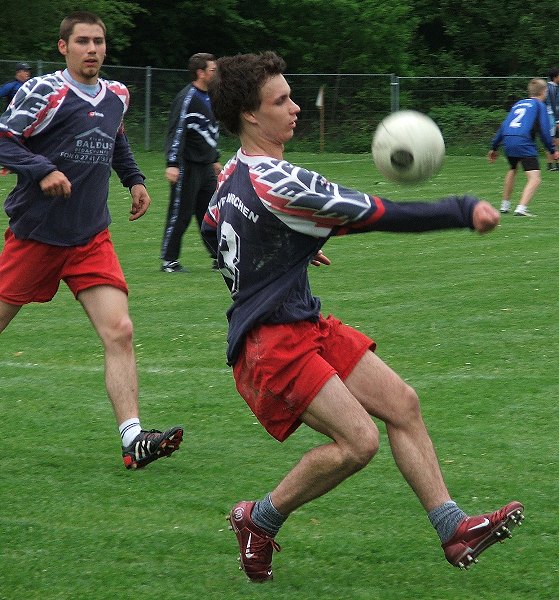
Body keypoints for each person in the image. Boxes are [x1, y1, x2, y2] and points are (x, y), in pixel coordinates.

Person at [201, 51, 525, 583]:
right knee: (358, 443)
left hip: (301, 322)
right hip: (272, 343)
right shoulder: (281, 183)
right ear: (251, 115)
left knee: (402, 404)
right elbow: (375, 213)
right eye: (281, 100)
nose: (295, 107)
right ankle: (257, 518)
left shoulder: (233, 172)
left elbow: (215, 227)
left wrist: (285, 251)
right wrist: (461, 209)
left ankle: (454, 528)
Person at [0, 11, 183, 469]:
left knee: (120, 331)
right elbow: (4, 139)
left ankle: (134, 439)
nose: (92, 49)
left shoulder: (117, 94)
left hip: (90, 238)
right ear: (63, 47)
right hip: (37, 236)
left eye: (98, 41)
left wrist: (134, 179)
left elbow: (114, 139)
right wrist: (42, 170)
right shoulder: (43, 90)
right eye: (82, 41)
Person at [160, 52, 221, 273]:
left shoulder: (211, 97)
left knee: (211, 213)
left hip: (206, 166)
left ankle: (219, 257)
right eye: (213, 70)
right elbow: (176, 131)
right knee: (181, 213)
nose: (217, 74)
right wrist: (172, 163)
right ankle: (169, 261)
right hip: (187, 165)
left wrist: (214, 158)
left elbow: (210, 130)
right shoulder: (187, 98)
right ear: (201, 73)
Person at [489, 78, 559, 217]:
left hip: (508, 140)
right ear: (544, 92)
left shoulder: (518, 103)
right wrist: (552, 150)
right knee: (535, 178)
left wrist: (494, 147)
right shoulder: (539, 105)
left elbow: (504, 126)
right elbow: (544, 131)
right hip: (523, 141)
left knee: (513, 168)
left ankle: (505, 205)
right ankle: (521, 208)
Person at [545, 67, 559, 171]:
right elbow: (554, 106)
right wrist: (557, 120)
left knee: (554, 140)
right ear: (555, 76)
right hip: (552, 117)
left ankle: (553, 165)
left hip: (552, 116)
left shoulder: (550, 87)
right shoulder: (552, 87)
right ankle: (552, 165)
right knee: (553, 140)